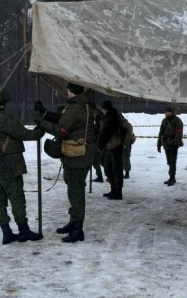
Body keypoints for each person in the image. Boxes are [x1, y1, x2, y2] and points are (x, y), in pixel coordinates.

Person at [0, 85, 45, 245]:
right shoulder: (3, 118)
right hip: (9, 165)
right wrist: (41, 127)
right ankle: (23, 231)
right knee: (17, 198)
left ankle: (6, 232)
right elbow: (25, 134)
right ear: (3, 103)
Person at [35, 82, 97, 243]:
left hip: (77, 156)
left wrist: (42, 123)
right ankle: (74, 222)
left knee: (75, 191)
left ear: (71, 92)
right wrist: (46, 113)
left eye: (68, 90)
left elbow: (62, 130)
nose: (66, 92)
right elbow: (65, 121)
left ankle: (77, 229)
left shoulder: (76, 107)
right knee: (73, 186)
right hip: (82, 154)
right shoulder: (85, 105)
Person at [98, 100, 126, 200]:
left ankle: (118, 192)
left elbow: (105, 132)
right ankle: (113, 189)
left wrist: (100, 143)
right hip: (108, 147)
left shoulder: (113, 118)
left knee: (116, 170)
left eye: (103, 109)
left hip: (115, 147)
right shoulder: (106, 117)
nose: (102, 111)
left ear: (106, 109)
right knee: (108, 169)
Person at [157, 106, 183, 186]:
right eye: (165, 112)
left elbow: (179, 133)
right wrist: (159, 144)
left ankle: (172, 177)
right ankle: (172, 178)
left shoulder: (177, 120)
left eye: (168, 112)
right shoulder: (164, 121)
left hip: (173, 143)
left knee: (172, 161)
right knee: (169, 161)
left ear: (172, 112)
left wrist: (176, 143)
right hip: (166, 143)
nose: (166, 113)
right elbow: (161, 133)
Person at [92, 108, 105, 183]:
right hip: (98, 143)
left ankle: (100, 176)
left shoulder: (101, 122)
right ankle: (101, 175)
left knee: (96, 161)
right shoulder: (99, 121)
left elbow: (99, 132)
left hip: (99, 144)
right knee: (100, 161)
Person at [121, 114, 135, 179]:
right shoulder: (119, 124)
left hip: (126, 144)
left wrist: (125, 144)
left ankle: (127, 172)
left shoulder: (126, 124)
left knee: (126, 158)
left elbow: (129, 135)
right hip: (120, 143)